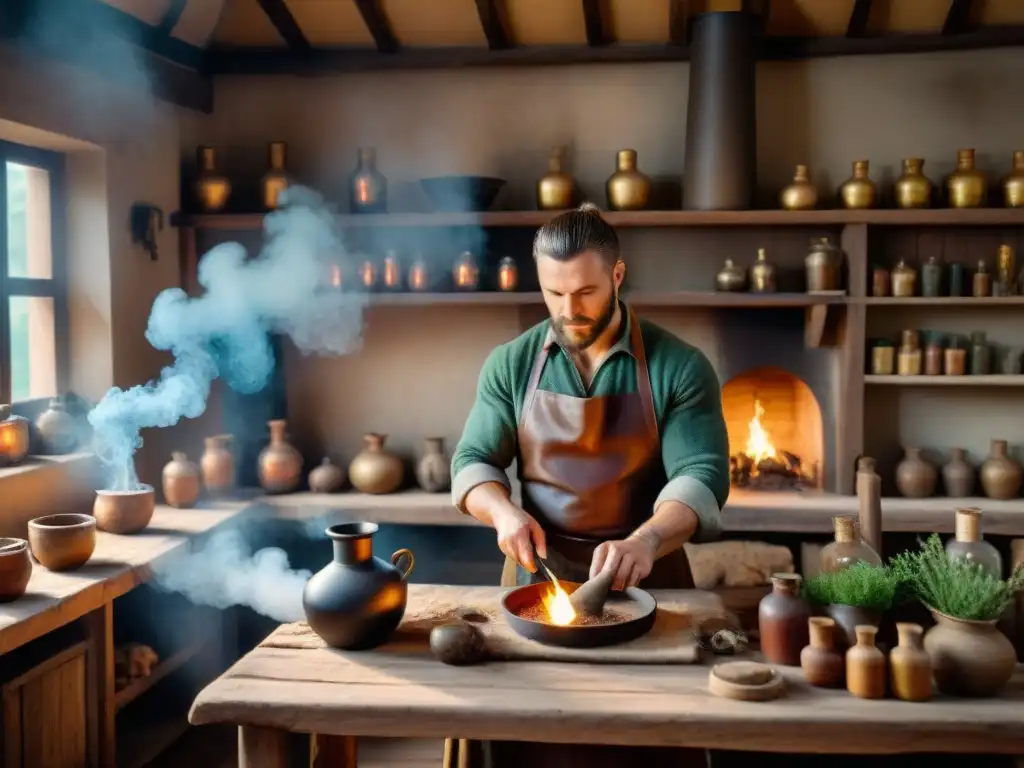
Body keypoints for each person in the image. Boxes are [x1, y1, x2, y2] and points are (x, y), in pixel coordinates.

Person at [451, 202, 730, 592]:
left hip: (647, 575)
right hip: (538, 575)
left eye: (585, 292)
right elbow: (472, 461)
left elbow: (701, 476)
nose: (569, 311)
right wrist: (502, 513)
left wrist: (646, 540)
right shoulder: (511, 363)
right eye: (555, 293)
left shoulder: (680, 366)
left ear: (617, 276)